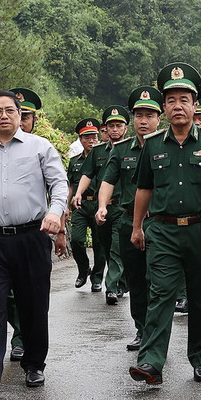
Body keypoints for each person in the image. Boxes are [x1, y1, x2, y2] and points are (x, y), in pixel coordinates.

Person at [128, 63, 201, 386]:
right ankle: (151, 362)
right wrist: (138, 227)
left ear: (195, 105)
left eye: (184, 99)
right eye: (171, 100)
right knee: (160, 294)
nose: (178, 106)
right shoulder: (152, 145)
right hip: (163, 230)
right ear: (164, 108)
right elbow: (144, 189)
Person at [0, 90, 68, 397]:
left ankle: (34, 364)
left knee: (33, 305)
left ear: (21, 115)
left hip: (31, 237)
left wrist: (55, 212)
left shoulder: (39, 147)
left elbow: (59, 183)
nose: (4, 115)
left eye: (10, 110)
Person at [97, 86, 163, 352]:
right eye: (138, 116)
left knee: (158, 280)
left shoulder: (168, 146)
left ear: (160, 118)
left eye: (149, 115)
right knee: (136, 280)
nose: (143, 121)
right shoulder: (122, 149)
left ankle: (157, 334)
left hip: (160, 223)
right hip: (128, 222)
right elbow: (108, 180)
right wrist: (102, 206)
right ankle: (142, 329)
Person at [73, 106, 129, 300]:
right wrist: (78, 193)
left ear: (125, 128)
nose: (115, 129)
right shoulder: (98, 152)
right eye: (111, 126)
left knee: (116, 247)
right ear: (105, 129)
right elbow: (88, 173)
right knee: (106, 245)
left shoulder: (132, 149)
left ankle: (111, 287)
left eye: (119, 125)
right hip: (103, 207)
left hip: (123, 207)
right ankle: (123, 282)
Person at [67, 118, 101, 289]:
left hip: (98, 205)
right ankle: (83, 269)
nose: (91, 140)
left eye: (94, 136)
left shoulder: (105, 159)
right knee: (77, 240)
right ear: (80, 140)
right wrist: (66, 207)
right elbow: (71, 186)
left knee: (99, 244)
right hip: (80, 206)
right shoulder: (74, 161)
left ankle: (97, 279)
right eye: (87, 137)